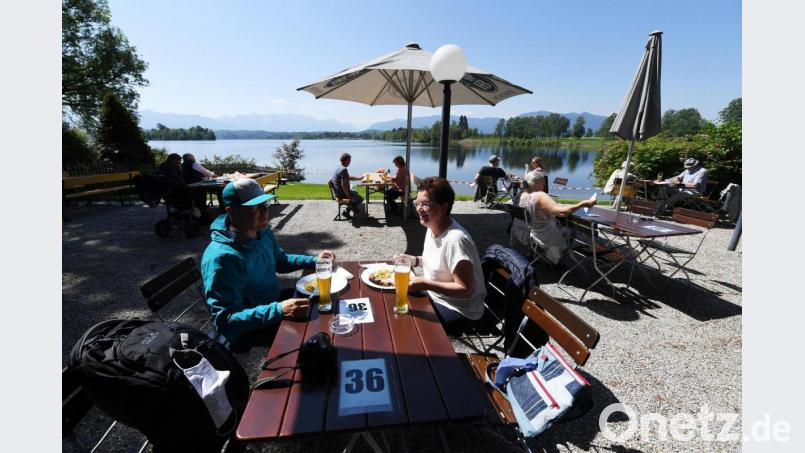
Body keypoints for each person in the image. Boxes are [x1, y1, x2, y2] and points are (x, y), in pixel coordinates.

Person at [201, 178, 334, 351]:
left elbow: (280, 261)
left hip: (273, 302)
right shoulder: (222, 258)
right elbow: (226, 321)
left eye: (266, 203)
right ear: (231, 211)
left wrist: (315, 260)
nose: (266, 211)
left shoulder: (262, 232)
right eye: (256, 207)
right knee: (318, 340)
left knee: (329, 304)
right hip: (251, 328)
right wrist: (278, 310)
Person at [398, 177, 486, 333]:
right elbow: (440, 264)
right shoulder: (432, 227)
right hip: (436, 296)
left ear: (444, 207)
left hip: (459, 309)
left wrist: (425, 284)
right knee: (398, 304)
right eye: (417, 203)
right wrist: (415, 260)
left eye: (425, 204)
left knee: (408, 321)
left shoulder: (456, 240)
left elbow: (465, 289)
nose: (419, 209)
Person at [513, 171, 596, 265]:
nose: (544, 186)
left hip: (526, 232)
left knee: (557, 224)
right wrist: (581, 204)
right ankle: (556, 258)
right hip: (544, 236)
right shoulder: (539, 195)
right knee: (571, 231)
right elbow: (562, 212)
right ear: (537, 183)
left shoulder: (520, 195)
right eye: (543, 183)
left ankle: (534, 251)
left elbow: (537, 210)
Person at [330, 152, 364, 219]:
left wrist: (359, 178)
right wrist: (350, 197)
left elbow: (348, 178)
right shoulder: (344, 169)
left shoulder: (338, 167)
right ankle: (347, 211)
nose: (350, 163)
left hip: (337, 192)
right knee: (360, 199)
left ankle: (353, 207)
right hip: (341, 194)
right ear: (346, 160)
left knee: (355, 192)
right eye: (349, 161)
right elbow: (344, 186)